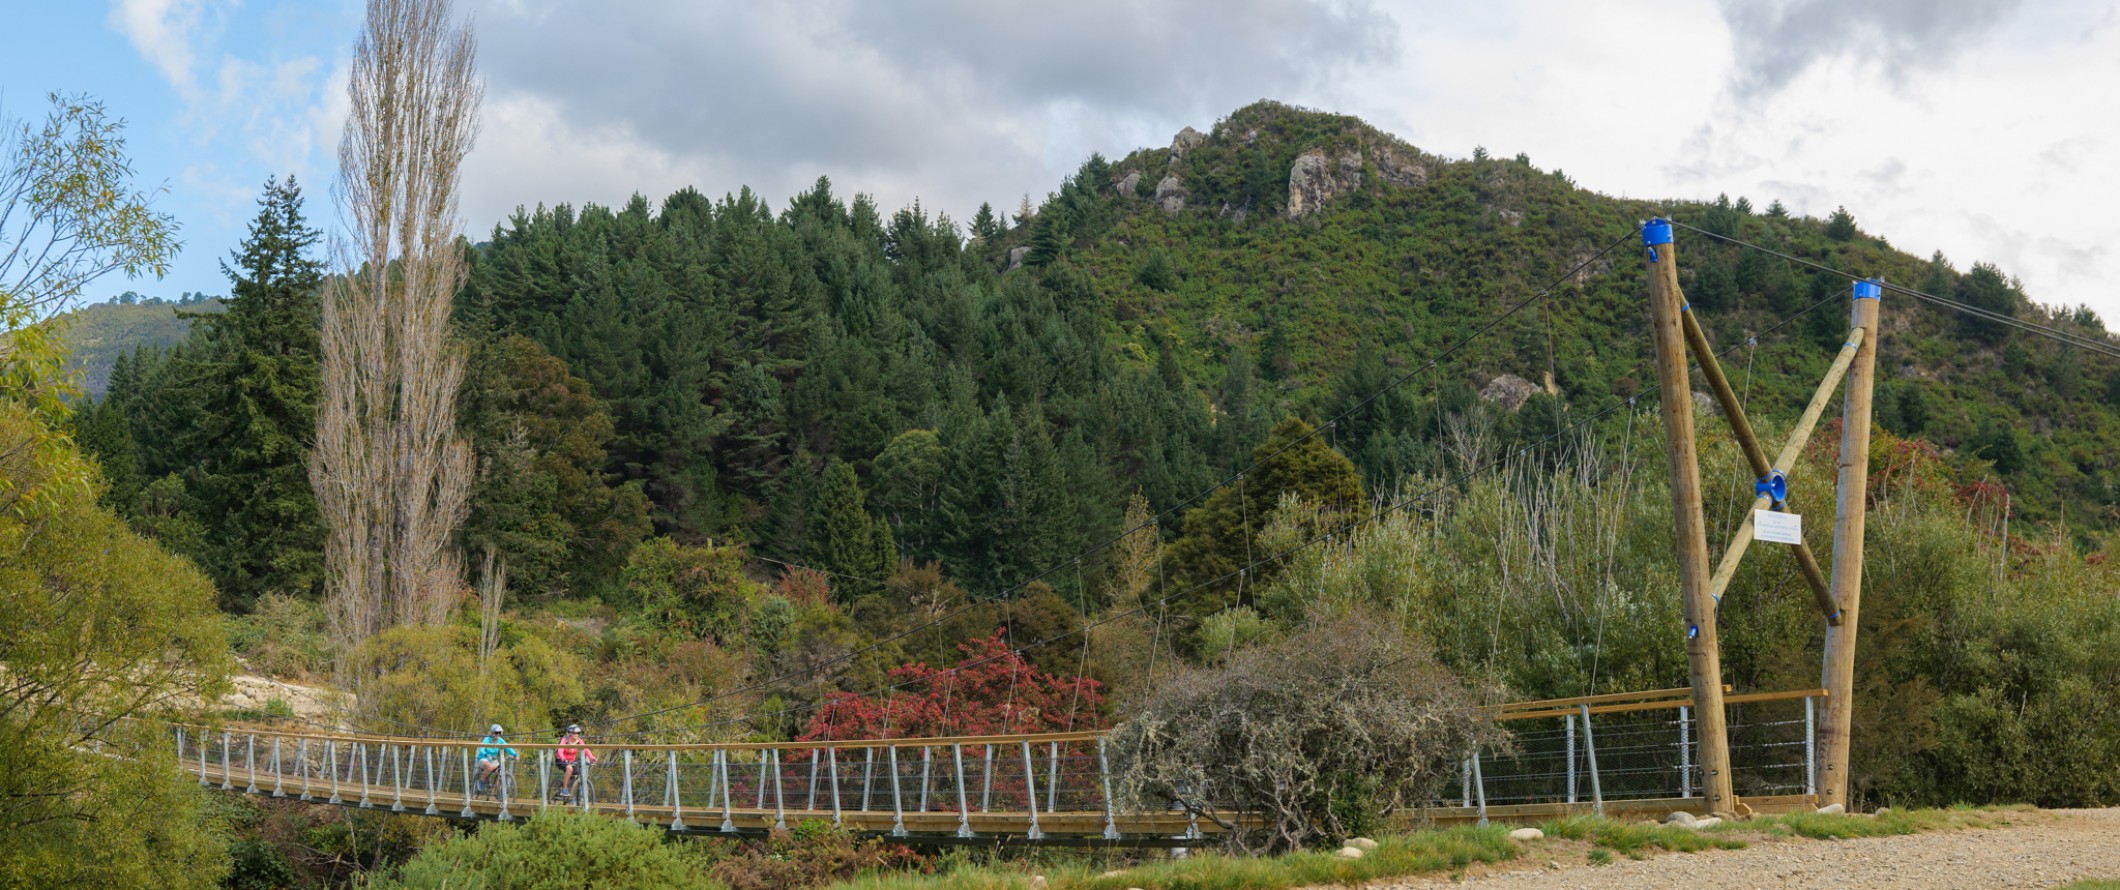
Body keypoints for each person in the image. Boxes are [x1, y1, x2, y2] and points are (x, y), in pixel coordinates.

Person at [554, 723, 597, 803]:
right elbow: (560, 751)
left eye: (578, 733)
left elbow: (586, 749)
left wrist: (591, 757)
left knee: (576, 776)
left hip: (572, 761)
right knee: (569, 768)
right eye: (574, 733)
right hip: (561, 760)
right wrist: (564, 759)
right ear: (569, 733)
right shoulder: (564, 740)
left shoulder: (579, 741)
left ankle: (572, 796)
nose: (577, 735)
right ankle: (564, 789)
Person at [473, 724, 518, 798]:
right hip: (483, 758)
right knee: (490, 767)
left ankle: (498, 792)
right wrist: (486, 754)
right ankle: (481, 781)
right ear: (492, 733)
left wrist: (515, 755)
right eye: (496, 732)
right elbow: (482, 749)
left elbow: (507, 747)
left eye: (499, 733)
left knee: (501, 772)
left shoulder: (500, 740)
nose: (498, 734)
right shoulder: (487, 739)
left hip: (493, 760)